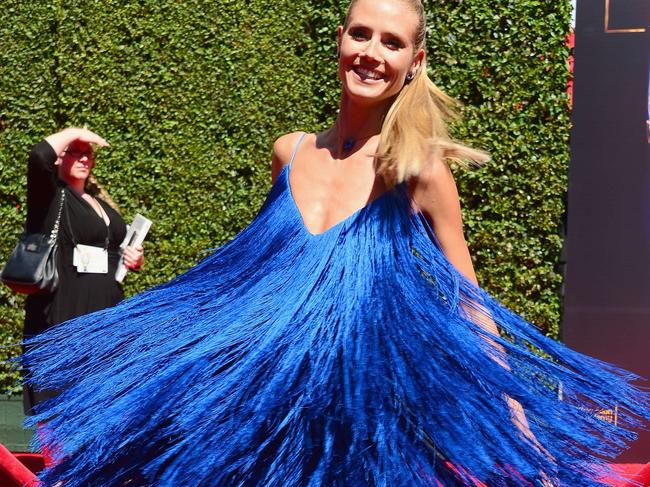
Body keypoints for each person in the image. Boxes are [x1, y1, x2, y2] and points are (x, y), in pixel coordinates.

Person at [22, 1, 648, 486]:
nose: (373, 52)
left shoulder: (418, 169)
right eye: (361, 34)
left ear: (416, 60)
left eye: (392, 42)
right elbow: (257, 279)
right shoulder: (289, 152)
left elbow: (470, 303)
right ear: (341, 40)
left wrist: (520, 431)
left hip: (359, 418)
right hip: (266, 406)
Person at [23, 127, 144, 415]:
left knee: (102, 397)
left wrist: (133, 259)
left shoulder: (101, 202)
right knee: (60, 393)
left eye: (87, 153)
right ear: (59, 159)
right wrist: (77, 132)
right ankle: (60, 459)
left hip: (105, 311)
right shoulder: (52, 197)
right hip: (65, 307)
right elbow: (38, 156)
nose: (82, 158)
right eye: (73, 152)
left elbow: (113, 253)